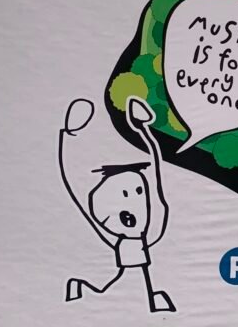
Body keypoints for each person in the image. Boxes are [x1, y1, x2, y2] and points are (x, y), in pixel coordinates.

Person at [59, 96, 175, 312]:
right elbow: (74, 183)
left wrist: (143, 130)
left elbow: (156, 185)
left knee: (135, 283)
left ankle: (144, 298)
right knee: (131, 283)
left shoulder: (148, 228)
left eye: (139, 193)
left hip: (136, 276)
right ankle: (83, 288)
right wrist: (69, 136)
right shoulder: (124, 237)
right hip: (132, 276)